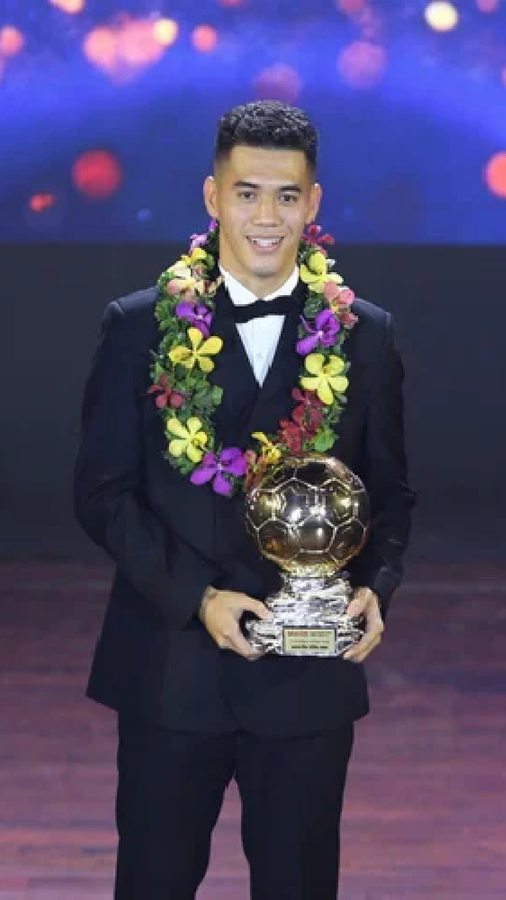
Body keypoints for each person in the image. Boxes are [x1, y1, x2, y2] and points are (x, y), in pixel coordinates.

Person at [74, 100, 416, 900]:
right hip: (170, 672)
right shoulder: (139, 326)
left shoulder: (365, 335)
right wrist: (198, 598)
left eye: (287, 196)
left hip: (307, 681)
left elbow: (390, 492)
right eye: (248, 193)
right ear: (212, 195)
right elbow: (101, 493)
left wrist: (377, 586)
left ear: (313, 203)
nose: (267, 217)